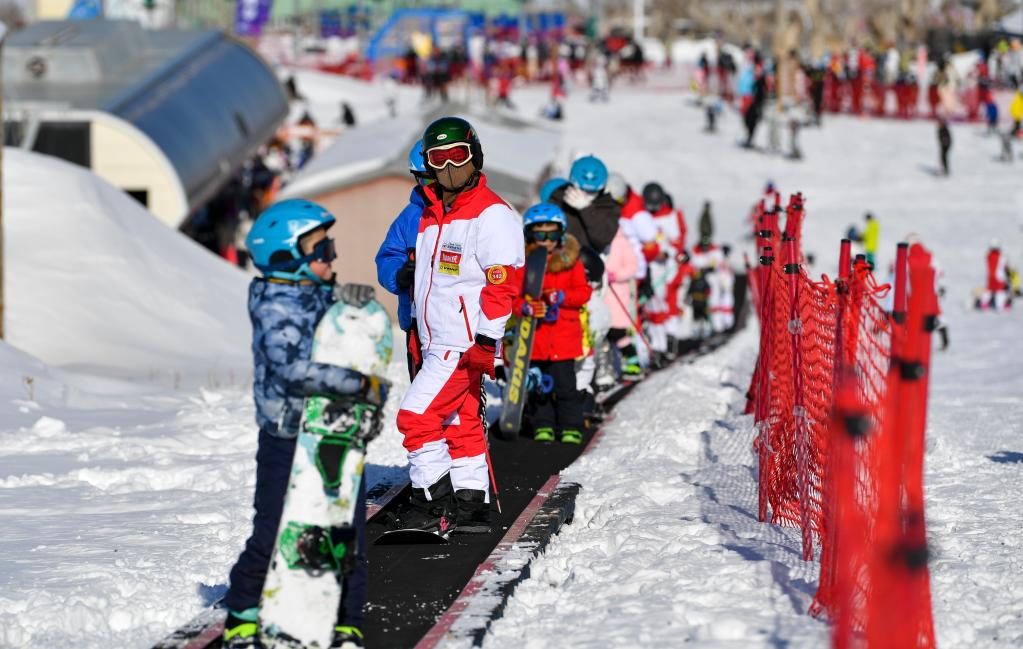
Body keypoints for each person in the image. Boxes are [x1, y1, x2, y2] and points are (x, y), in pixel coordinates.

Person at [223, 200, 388, 649]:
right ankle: (243, 610)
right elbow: (291, 370)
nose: (331, 256)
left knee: (343, 527)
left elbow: (334, 322)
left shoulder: (313, 292)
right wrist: (357, 384)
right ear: (287, 257)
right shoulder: (275, 307)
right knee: (274, 527)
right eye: (323, 248)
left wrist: (350, 305)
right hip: (285, 435)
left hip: (329, 432)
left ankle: (345, 617)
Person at [393, 117, 525, 535]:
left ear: (475, 156)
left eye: (458, 156)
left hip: (461, 342)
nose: (449, 167)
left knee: (415, 418)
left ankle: (430, 504)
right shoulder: (434, 213)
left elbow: (503, 285)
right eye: (438, 158)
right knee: (459, 422)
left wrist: (487, 339)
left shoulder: (493, 215)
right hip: (436, 340)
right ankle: (472, 504)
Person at [514, 204, 592, 443]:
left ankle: (570, 425)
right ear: (530, 234)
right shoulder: (523, 264)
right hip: (535, 340)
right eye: (540, 234)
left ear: (561, 234)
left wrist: (563, 297)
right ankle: (543, 424)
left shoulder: (572, 262)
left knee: (565, 387)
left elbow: (583, 292)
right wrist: (525, 307)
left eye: (552, 234)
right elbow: (512, 297)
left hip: (563, 338)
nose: (546, 240)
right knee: (540, 388)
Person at [376, 140, 430, 379]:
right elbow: (387, 256)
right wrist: (399, 274)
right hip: (417, 325)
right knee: (422, 395)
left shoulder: (467, 214)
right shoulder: (411, 217)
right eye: (424, 179)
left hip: (458, 327)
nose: (432, 186)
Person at [548, 155, 621, 253]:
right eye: (582, 189)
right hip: (556, 257)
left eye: (591, 192)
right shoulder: (559, 196)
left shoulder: (608, 206)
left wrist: (586, 209)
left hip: (586, 262)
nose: (585, 195)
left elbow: (604, 238)